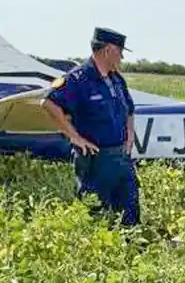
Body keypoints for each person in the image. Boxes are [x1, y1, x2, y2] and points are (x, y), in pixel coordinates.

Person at [42, 28, 139, 225]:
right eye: (119, 52)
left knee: (130, 211)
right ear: (107, 50)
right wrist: (74, 137)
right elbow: (48, 103)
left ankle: (130, 251)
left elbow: (129, 109)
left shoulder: (117, 79)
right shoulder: (78, 79)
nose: (121, 57)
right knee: (94, 215)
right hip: (95, 158)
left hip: (121, 157)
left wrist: (130, 135)